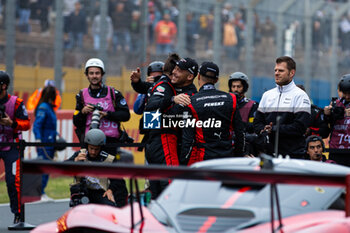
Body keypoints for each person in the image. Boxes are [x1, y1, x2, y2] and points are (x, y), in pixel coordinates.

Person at [180, 62, 245, 166]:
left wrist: (183, 161)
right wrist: (238, 157)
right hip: (226, 159)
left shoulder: (190, 102)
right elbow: (240, 133)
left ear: (198, 77)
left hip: (202, 160)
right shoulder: (231, 99)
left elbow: (187, 139)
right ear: (216, 80)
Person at [253, 56, 311, 158]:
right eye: (275, 70)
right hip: (268, 155)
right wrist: (264, 129)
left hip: (293, 155)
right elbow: (257, 123)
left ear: (291, 73)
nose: (276, 73)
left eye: (281, 70)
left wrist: (274, 129)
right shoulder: (267, 95)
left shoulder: (300, 95)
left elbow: (300, 128)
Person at [73, 58, 130, 154]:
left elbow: (126, 115)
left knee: (109, 168)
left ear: (102, 74)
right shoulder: (82, 95)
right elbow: (76, 122)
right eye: (91, 73)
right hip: (89, 142)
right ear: (87, 75)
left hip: (110, 141)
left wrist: (107, 114)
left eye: (97, 73)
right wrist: (83, 112)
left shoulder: (113, 93)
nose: (94, 76)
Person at [67, 129, 128, 207]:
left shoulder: (108, 159)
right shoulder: (80, 155)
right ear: (87, 146)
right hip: (84, 191)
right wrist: (74, 161)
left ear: (101, 148)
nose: (93, 152)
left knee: (110, 206)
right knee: (78, 202)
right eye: (91, 148)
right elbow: (62, 167)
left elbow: (118, 179)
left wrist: (110, 190)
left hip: (102, 192)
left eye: (96, 149)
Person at [0, 71, 30, 223]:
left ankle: (18, 213)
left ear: (4, 86)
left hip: (12, 144)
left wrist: (12, 123)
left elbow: (26, 124)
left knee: (13, 180)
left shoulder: (16, 102)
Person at [33, 86, 57, 202]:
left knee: (47, 168)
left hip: (51, 142)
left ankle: (41, 192)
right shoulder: (43, 107)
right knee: (43, 168)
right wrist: (38, 139)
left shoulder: (49, 107)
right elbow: (37, 125)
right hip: (44, 143)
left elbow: (51, 126)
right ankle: (39, 193)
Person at [324, 74, 350, 166]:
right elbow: (325, 130)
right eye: (345, 93)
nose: (347, 96)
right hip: (336, 150)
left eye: (349, 93)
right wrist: (327, 115)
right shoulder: (336, 104)